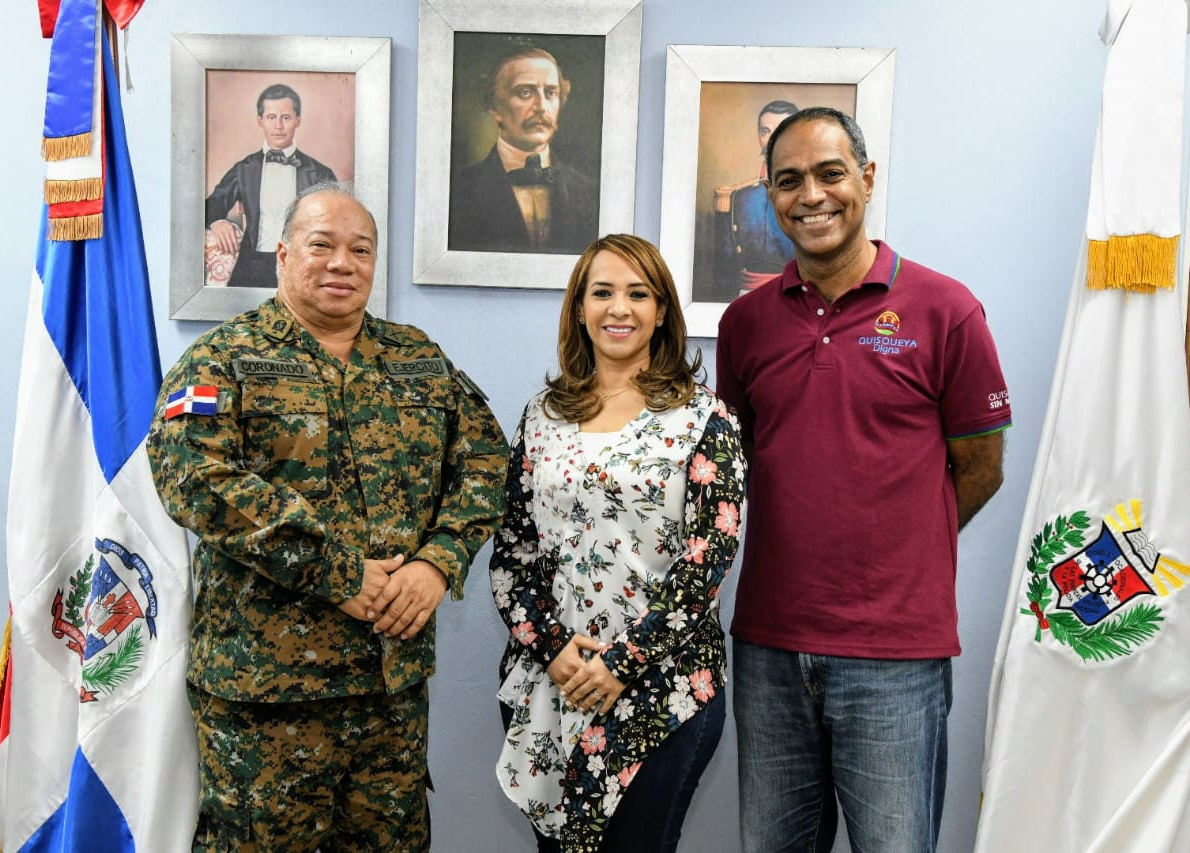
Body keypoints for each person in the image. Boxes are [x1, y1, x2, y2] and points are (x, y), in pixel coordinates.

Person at [149, 184, 509, 851]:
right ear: (283, 254)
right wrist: (338, 573)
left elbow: (487, 463)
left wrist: (440, 562)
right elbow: (193, 479)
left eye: (361, 249)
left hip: (389, 692)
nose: (343, 262)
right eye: (322, 245)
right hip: (265, 700)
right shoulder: (222, 359)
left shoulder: (419, 360)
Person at [715, 107, 1012, 853]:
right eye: (789, 180)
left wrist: (900, 543)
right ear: (771, 194)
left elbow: (981, 466)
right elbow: (744, 460)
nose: (811, 195)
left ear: (867, 179)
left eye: (829, 173)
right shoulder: (744, 325)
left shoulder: (946, 309)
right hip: (769, 648)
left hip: (896, 658)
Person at [491, 233, 747, 852]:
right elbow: (512, 553)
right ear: (580, 306)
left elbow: (704, 568)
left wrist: (618, 664)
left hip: (663, 691)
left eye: (638, 293)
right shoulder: (540, 416)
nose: (619, 309)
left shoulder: (706, 421)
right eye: (602, 292)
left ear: (662, 310)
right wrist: (555, 651)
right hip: (551, 682)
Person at [448, 46, 599, 254]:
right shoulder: (460, 192)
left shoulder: (590, 193)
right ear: (495, 107)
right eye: (525, 92)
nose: (541, 107)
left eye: (550, 93)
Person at [205, 83, 338, 287]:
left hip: (303, 266)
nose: (278, 126)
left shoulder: (321, 173)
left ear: (297, 120)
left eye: (285, 117)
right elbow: (211, 205)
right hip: (253, 267)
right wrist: (218, 222)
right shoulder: (244, 169)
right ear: (260, 121)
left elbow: (336, 224)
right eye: (271, 117)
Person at [714, 99, 799, 296]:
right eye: (765, 131)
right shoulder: (737, 197)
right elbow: (724, 265)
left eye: (780, 130)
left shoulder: (812, 196)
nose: (770, 139)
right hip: (745, 296)